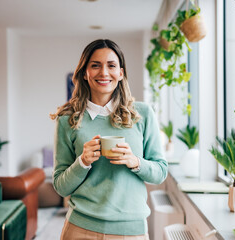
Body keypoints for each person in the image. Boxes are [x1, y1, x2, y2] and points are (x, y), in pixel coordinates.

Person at [50, 39, 168, 240]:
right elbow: (61, 186)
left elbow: (160, 172)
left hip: (132, 231)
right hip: (80, 229)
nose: (104, 73)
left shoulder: (143, 114)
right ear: (85, 73)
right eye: (95, 65)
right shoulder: (67, 119)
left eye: (111, 66)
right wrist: (82, 162)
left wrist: (135, 162)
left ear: (120, 73)